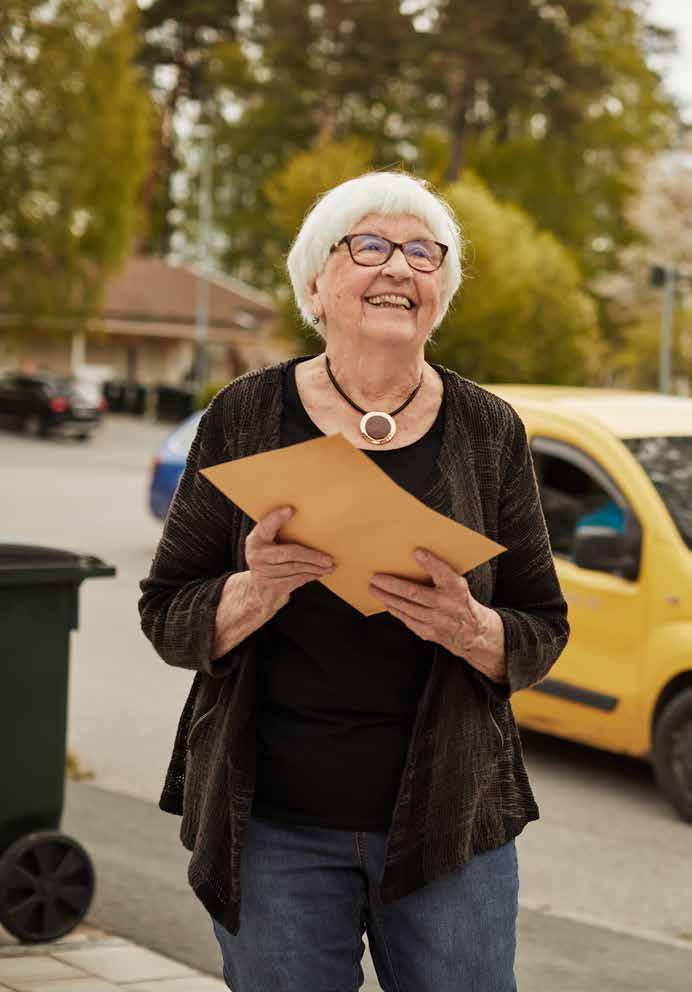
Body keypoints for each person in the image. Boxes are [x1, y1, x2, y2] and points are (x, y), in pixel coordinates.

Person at [138, 170, 570, 992]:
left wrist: (469, 626)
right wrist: (252, 591)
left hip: (453, 824)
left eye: (421, 252)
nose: (399, 269)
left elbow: (542, 627)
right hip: (272, 827)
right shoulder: (244, 414)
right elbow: (166, 612)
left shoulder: (489, 428)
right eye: (368, 246)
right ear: (315, 283)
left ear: (440, 291)